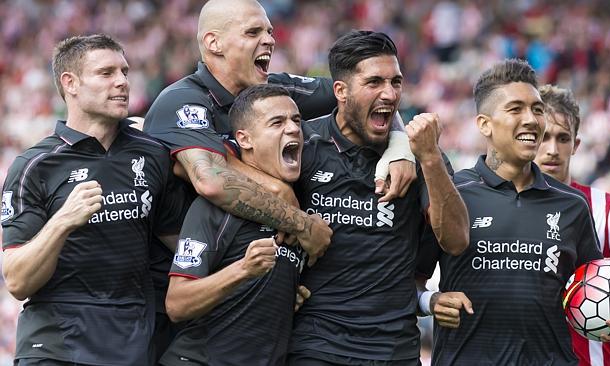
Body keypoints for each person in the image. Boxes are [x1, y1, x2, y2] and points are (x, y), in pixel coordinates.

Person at [143, 0, 415, 358]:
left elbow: (360, 93)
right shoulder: (182, 101)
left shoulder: (277, 93)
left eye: (270, 31)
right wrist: (301, 223)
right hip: (188, 297)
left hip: (263, 295)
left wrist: (401, 146)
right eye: (253, 32)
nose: (269, 40)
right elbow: (212, 181)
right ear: (214, 43)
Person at [1, 34, 188, 365]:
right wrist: (63, 221)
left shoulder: (153, 153)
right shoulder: (35, 166)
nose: (122, 82)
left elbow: (181, 244)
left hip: (132, 342)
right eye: (106, 73)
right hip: (55, 345)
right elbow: (17, 281)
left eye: (125, 72)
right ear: (70, 83)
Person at [288, 30, 469, 366]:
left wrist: (428, 157)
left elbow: (456, 240)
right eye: (374, 82)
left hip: (394, 351)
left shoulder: (423, 156)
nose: (389, 93)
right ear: (340, 91)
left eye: (396, 82)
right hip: (315, 347)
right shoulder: (304, 146)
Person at [423, 59, 603, 365]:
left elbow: (594, 293)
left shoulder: (573, 205)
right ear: (484, 124)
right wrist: (430, 301)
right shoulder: (453, 194)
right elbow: (410, 280)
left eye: (537, 109)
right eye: (516, 108)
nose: (532, 120)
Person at [160, 84, 309, 366]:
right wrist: (244, 269)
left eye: (296, 121)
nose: (292, 129)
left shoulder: (296, 211)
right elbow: (177, 304)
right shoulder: (215, 209)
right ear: (245, 139)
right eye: (277, 122)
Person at [534, 84, 610, 362]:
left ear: (575, 145)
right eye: (543, 137)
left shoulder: (607, 208)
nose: (552, 149)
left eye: (563, 138)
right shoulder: (498, 206)